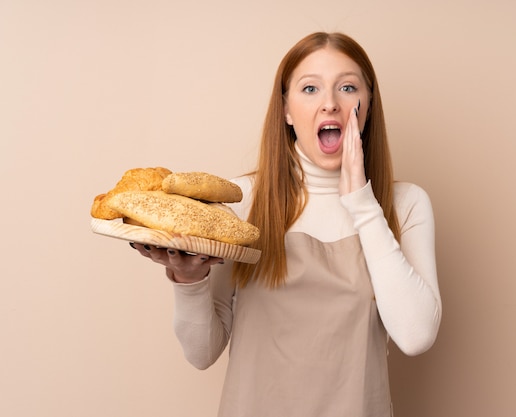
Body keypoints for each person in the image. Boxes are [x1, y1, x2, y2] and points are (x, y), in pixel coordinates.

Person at [132, 32, 442, 417]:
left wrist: (362, 204)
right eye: (310, 88)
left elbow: (416, 336)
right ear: (287, 110)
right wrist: (188, 281)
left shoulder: (406, 204)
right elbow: (201, 353)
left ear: (367, 105)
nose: (330, 103)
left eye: (347, 87)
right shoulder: (240, 202)